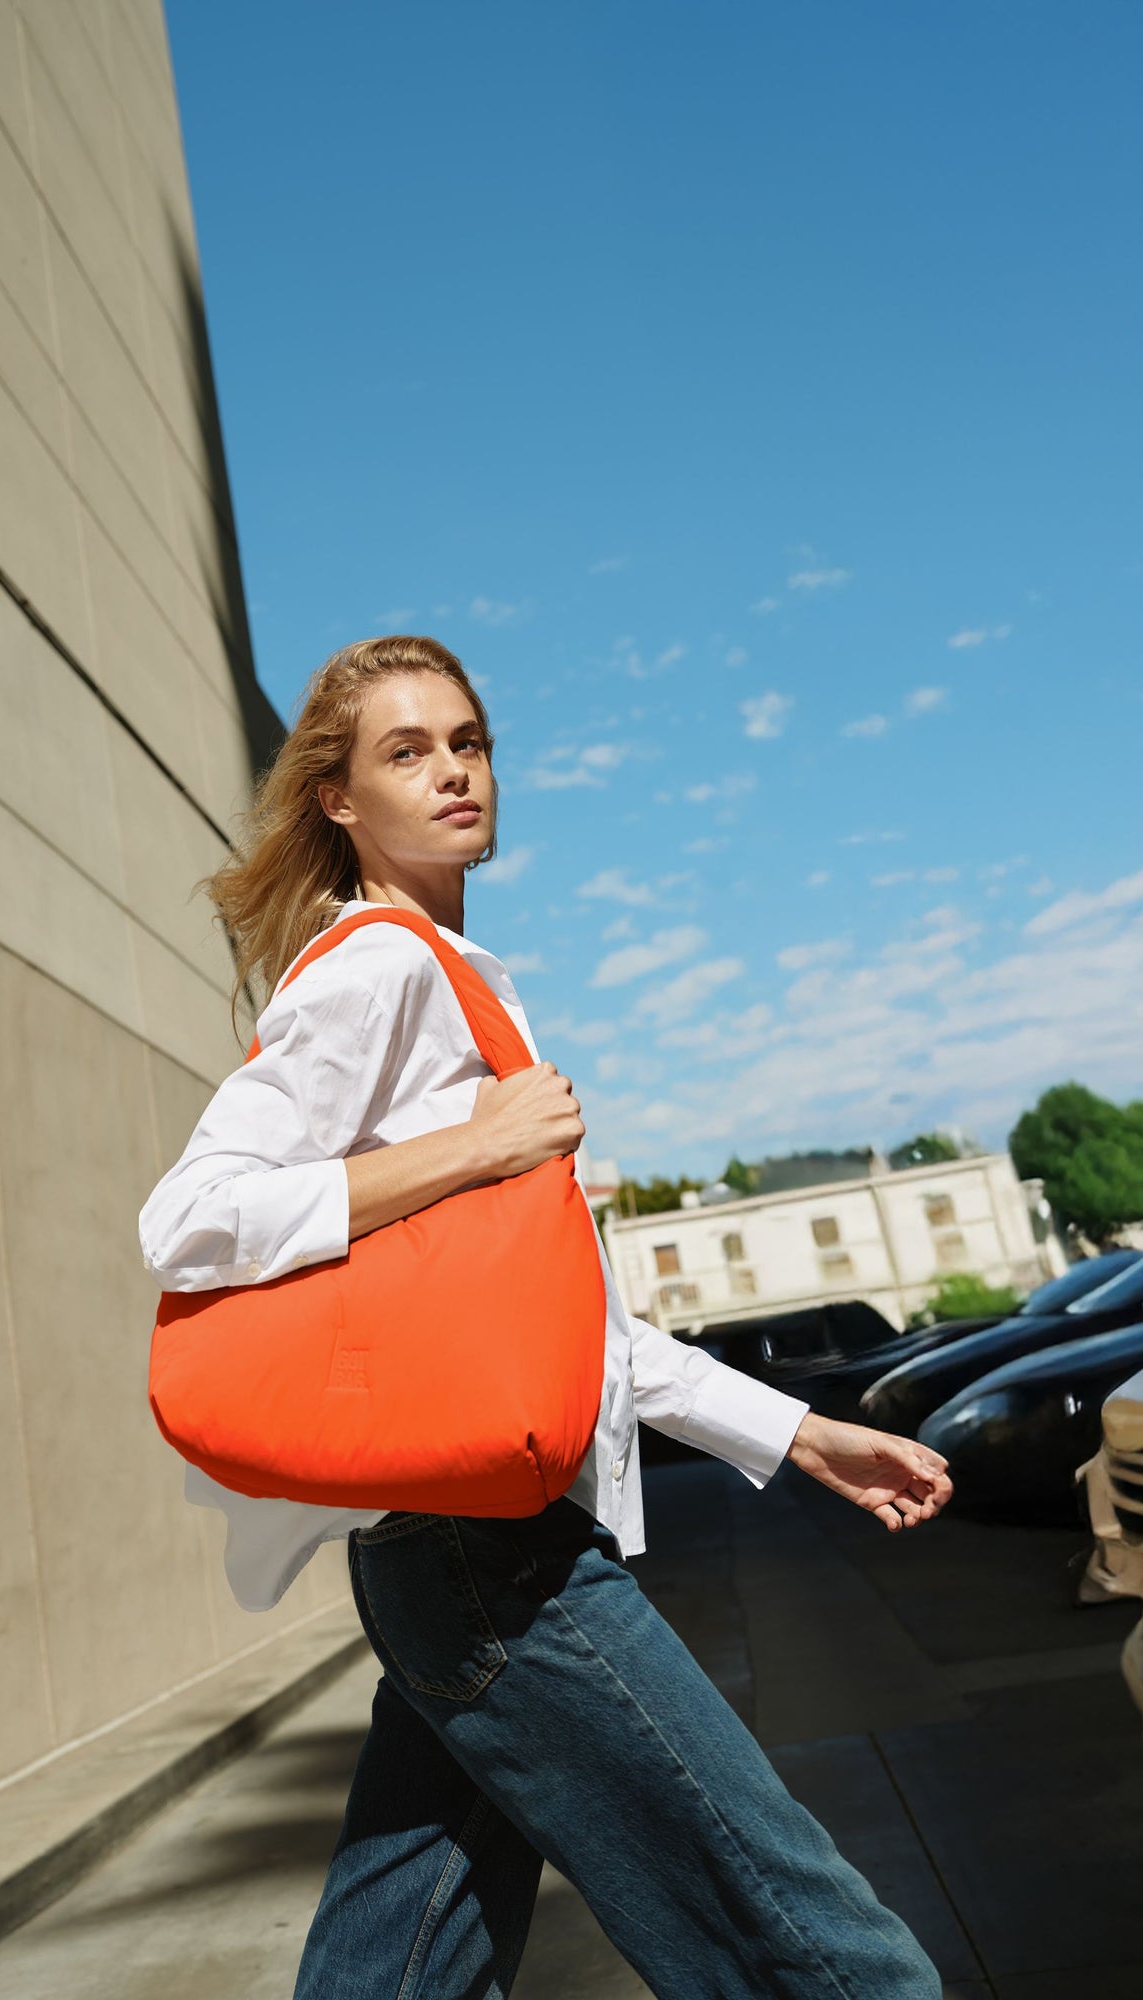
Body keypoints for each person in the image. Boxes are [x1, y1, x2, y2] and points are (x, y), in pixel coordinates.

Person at [138, 635, 951, 1998]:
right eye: (408, 752)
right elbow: (191, 1217)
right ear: (338, 799)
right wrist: (471, 1149)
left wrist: (799, 1433)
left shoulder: (461, 979)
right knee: (820, 1953)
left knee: (399, 1973)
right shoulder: (375, 972)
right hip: (488, 1566)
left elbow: (562, 1333)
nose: (453, 772)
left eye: (469, 742)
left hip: (454, 1567)